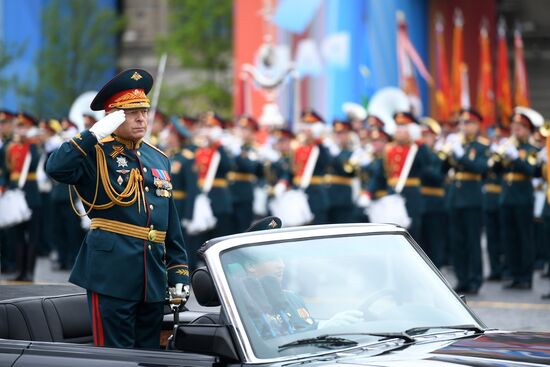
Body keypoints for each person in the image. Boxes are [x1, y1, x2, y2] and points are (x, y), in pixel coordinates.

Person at [45, 69, 189, 349]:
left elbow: (168, 221)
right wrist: (91, 135)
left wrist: (178, 269)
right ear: (113, 116)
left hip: (152, 279)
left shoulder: (157, 158)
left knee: (149, 355)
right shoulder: (94, 151)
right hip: (111, 273)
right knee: (114, 356)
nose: (141, 118)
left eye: (144, 111)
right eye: (131, 112)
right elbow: (56, 168)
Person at [234, 216, 363, 339]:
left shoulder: (291, 298)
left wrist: (328, 325)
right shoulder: (241, 306)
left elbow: (305, 330)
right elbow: (273, 345)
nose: (281, 265)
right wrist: (323, 329)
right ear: (251, 266)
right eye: (272, 258)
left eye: (281, 258)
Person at [442, 109, 489, 294]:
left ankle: (475, 279)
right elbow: (443, 169)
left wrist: (460, 155)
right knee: (457, 242)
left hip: (472, 199)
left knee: (472, 241)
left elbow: (481, 168)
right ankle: (462, 279)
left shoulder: (481, 147)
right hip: (455, 199)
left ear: (477, 126)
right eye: (462, 123)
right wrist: (447, 152)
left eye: (468, 123)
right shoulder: (456, 144)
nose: (464, 127)